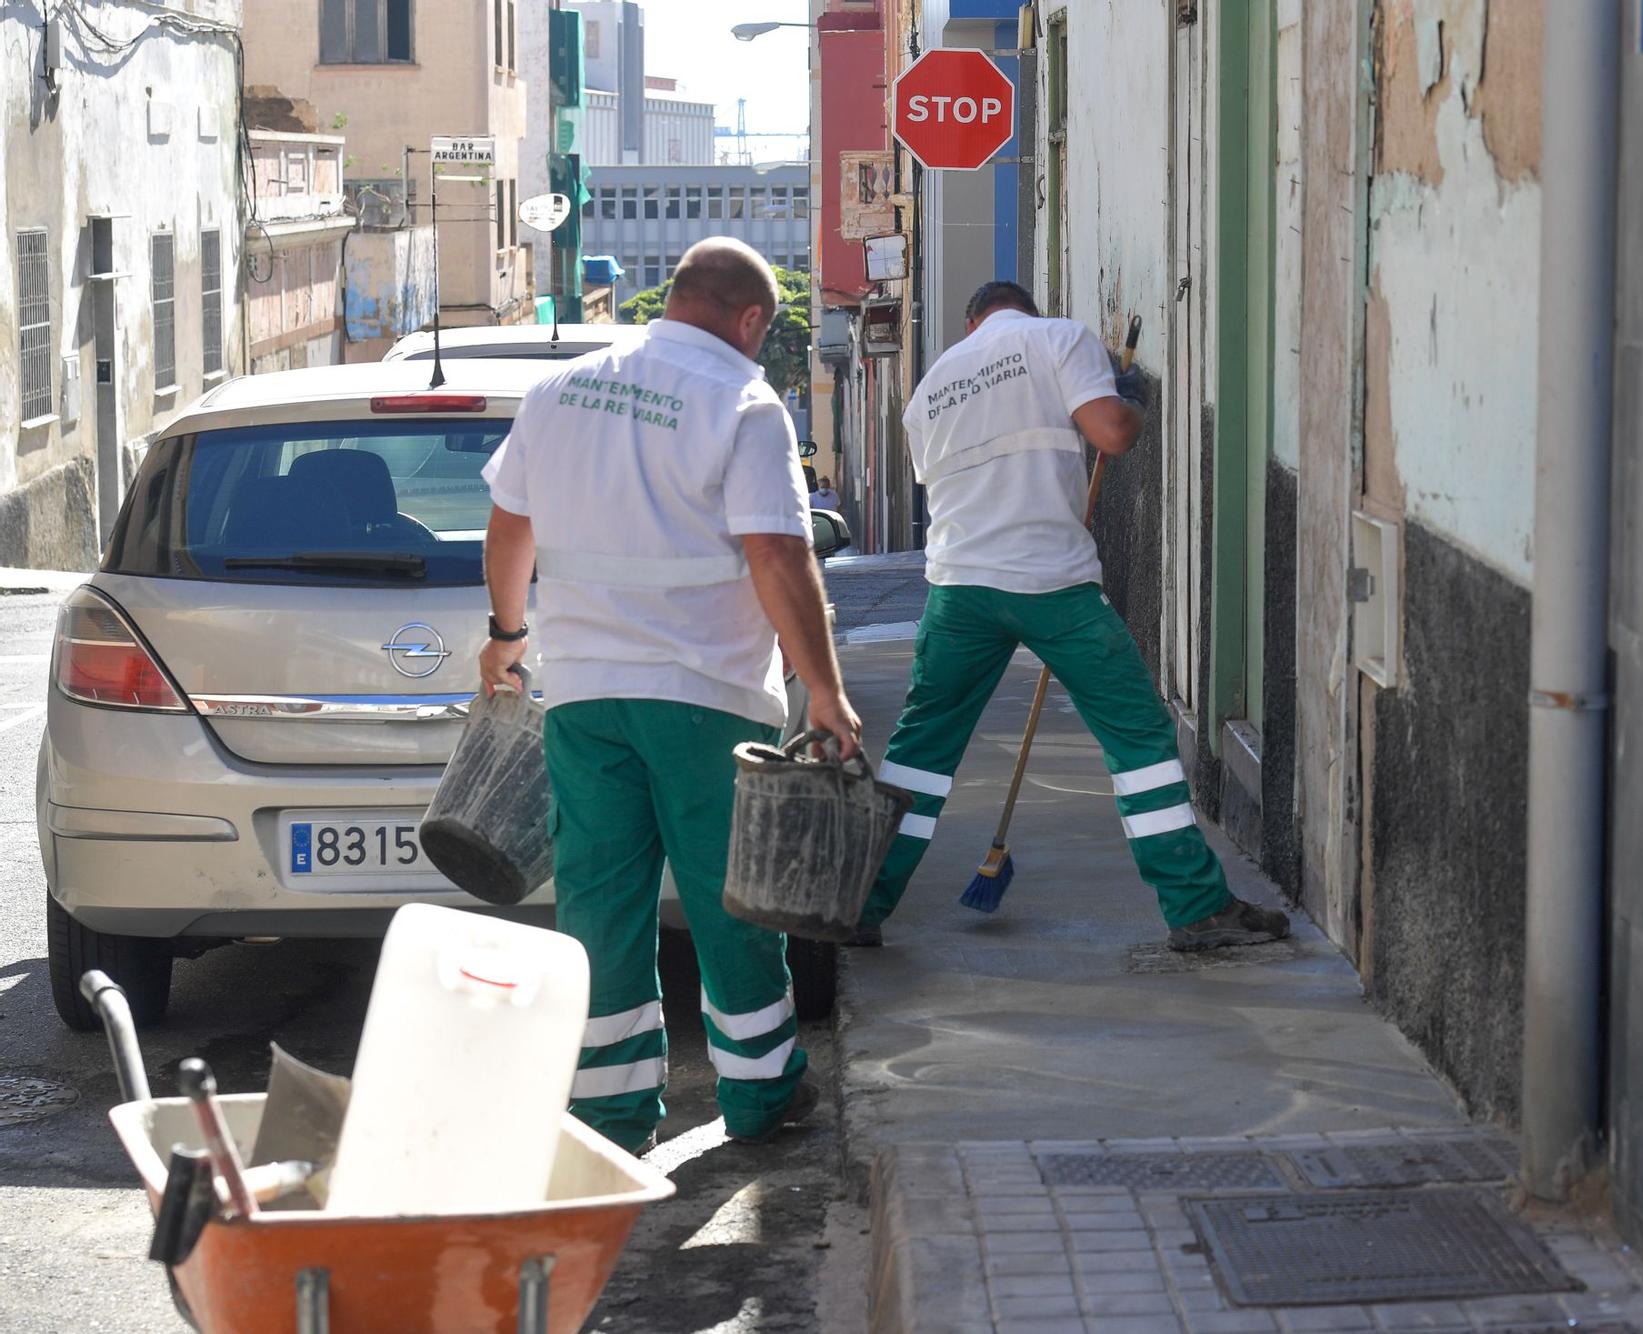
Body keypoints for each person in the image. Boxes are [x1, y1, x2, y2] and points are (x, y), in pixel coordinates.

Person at [478, 238, 863, 1155]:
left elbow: (509, 526)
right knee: (733, 897)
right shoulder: (743, 402)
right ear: (751, 319)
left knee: (598, 901)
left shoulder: (563, 389)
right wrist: (825, 692)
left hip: (582, 694)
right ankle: (763, 1094)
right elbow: (778, 553)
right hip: (707, 694)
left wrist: (505, 638)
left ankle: (611, 1112)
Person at [852, 280, 1290, 952]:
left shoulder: (931, 386)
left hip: (957, 588)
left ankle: (862, 906)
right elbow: (1111, 434)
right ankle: (1195, 905)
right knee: (1138, 737)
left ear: (973, 326)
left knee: (919, 754)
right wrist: (1130, 399)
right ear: (1024, 311)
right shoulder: (1058, 338)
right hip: (1049, 581)